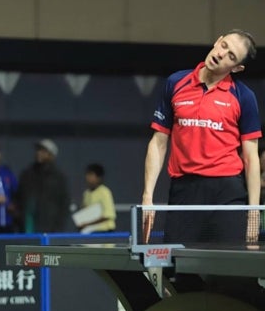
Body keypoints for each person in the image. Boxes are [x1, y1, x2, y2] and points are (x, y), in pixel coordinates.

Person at [142, 29, 261, 245]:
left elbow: (251, 158)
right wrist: (147, 197)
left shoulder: (244, 97)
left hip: (227, 193)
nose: (222, 54)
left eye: (232, 56)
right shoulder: (176, 83)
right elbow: (158, 142)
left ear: (236, 68)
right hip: (184, 191)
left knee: (229, 273)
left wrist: (253, 212)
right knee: (178, 270)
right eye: (224, 46)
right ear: (217, 41)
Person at [14, 139, 71, 233]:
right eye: (38, 150)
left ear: (51, 155)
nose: (39, 153)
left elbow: (64, 204)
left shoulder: (58, 177)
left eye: (43, 151)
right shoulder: (27, 174)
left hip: (49, 228)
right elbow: (19, 197)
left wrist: (58, 227)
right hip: (28, 226)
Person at [77, 163, 116, 233]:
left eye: (91, 175)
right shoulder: (86, 193)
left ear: (99, 177)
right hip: (89, 232)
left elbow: (108, 215)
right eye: (87, 174)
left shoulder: (104, 192)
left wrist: (87, 224)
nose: (88, 177)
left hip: (105, 232)